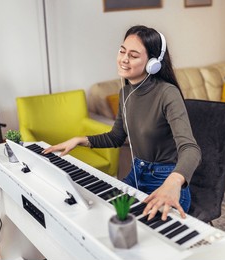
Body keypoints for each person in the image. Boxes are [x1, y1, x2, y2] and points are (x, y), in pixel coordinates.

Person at [43, 25, 201, 221]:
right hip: (136, 173)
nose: (124, 59)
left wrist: (174, 182)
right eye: (122, 51)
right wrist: (79, 140)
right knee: (99, 215)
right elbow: (116, 136)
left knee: (147, 236)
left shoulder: (167, 94)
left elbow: (191, 148)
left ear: (153, 62)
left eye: (133, 55)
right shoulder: (126, 93)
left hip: (165, 178)